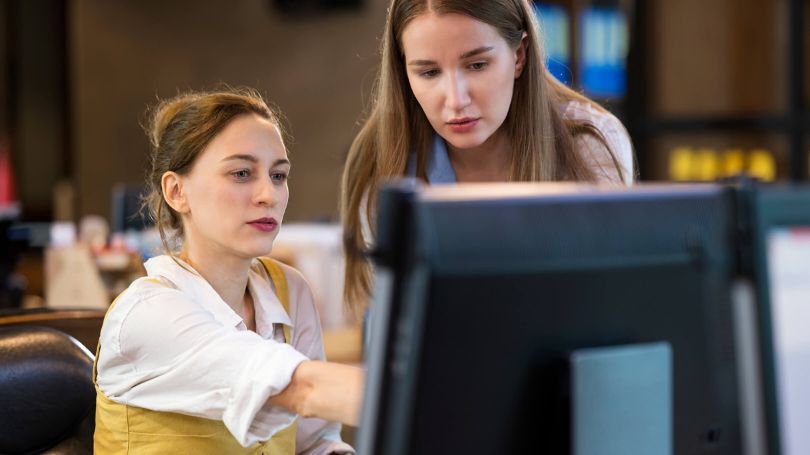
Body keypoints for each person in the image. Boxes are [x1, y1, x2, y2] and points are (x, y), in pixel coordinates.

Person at [94, 88, 362, 454]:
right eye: (241, 173)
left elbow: (314, 442)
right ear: (176, 192)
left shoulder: (290, 290)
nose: (269, 194)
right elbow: (301, 388)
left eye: (279, 175)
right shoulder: (145, 313)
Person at [340, 0, 636, 313]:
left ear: (519, 55)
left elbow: (603, 304)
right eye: (428, 72)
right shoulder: (384, 163)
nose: (456, 100)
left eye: (477, 65)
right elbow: (397, 323)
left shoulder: (589, 142)